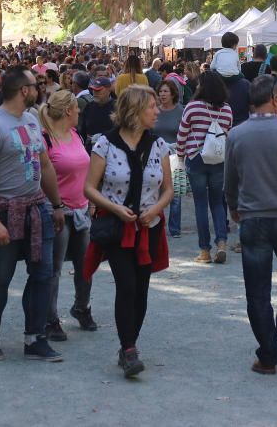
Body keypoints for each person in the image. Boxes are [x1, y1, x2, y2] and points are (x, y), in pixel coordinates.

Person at [0, 66, 67, 362]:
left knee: (43, 275)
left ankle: (35, 338)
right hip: (5, 211)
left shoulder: (31, 120)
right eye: (34, 84)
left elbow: (45, 166)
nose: (39, 87)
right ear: (23, 90)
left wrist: (56, 204)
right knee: (0, 276)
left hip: (37, 208)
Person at [224, 76, 277, 375]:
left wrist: (234, 206)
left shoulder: (236, 134)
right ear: (275, 98)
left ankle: (268, 355)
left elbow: (230, 179)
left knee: (257, 289)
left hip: (253, 218)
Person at [84, 85, 173, 378]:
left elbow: (170, 189)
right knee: (127, 285)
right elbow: (89, 188)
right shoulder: (105, 145)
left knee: (142, 290)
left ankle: (128, 346)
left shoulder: (159, 145)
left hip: (150, 227)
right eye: (152, 106)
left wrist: (155, 209)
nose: (157, 111)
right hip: (117, 228)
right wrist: (115, 208)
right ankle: (130, 348)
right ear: (134, 110)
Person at [39, 91, 98, 341]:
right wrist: (54, 206)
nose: (79, 112)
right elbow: (40, 178)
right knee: (53, 269)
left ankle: (81, 307)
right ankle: (49, 318)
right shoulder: (45, 140)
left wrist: (91, 200)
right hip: (59, 212)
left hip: (82, 210)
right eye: (76, 108)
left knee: (85, 265)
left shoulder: (74, 134)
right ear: (67, 111)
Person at [176, 72, 234, 264]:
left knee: (200, 204)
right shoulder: (226, 109)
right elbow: (228, 133)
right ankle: (222, 243)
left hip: (196, 158)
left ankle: (204, 250)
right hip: (219, 159)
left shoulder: (192, 107)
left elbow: (182, 134)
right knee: (218, 202)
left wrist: (180, 155)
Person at [154, 80, 185, 237]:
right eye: (160, 92)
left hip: (175, 155)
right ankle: (156, 225)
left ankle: (175, 229)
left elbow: (187, 132)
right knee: (156, 191)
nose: (162, 94)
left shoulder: (182, 111)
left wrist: (177, 145)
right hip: (155, 156)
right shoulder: (154, 111)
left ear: (173, 93)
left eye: (165, 91)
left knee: (176, 193)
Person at [78, 76, 116, 149]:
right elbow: (83, 131)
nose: (95, 93)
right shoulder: (89, 107)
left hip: (111, 150)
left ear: (108, 90)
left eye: (98, 90)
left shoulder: (117, 107)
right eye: (93, 90)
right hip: (91, 149)